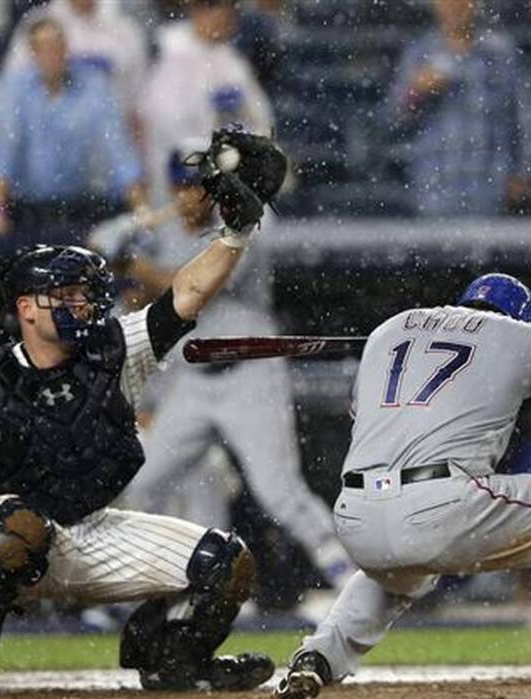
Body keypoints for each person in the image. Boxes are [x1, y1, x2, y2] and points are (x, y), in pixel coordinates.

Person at [0, 142, 279, 699]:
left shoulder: (116, 350)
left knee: (227, 563)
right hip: (0, 531)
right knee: (19, 532)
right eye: (65, 296)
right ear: (26, 308)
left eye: (86, 297)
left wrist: (234, 235)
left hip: (89, 528)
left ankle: (176, 661)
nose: (83, 308)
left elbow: (185, 294)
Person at [271, 273, 531, 699]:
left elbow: (367, 412)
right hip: (441, 502)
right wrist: (523, 363)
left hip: (356, 514)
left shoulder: (388, 331)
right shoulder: (526, 335)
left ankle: (316, 657)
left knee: (404, 570)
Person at [101, 149, 356, 609]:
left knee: (279, 492)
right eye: (181, 185)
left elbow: (193, 286)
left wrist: (135, 263)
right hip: (192, 382)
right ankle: (147, 593)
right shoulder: (160, 233)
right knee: (144, 484)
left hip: (250, 375)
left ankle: (348, 577)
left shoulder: (245, 226)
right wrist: (114, 254)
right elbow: (138, 295)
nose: (189, 195)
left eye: (199, 185)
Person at [0, 16, 146, 237]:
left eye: (57, 45)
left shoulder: (93, 85)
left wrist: (140, 206)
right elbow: (5, 154)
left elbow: (117, 148)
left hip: (82, 207)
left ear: (66, 48)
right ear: (33, 53)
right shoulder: (15, 90)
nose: (52, 54)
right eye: (44, 47)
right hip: (29, 209)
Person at [386, 0, 531, 217]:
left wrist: (524, 173)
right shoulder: (419, 52)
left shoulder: (500, 53)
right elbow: (392, 119)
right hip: (435, 188)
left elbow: (525, 119)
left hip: (491, 187)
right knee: (438, 250)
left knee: (487, 249)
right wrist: (416, 91)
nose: (454, 6)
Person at [140, 0, 273, 207]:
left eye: (228, 13)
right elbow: (168, 126)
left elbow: (261, 117)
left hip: (229, 172)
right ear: (197, 12)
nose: (225, 20)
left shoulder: (232, 61)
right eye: (215, 11)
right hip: (182, 178)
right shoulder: (173, 54)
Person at [4, 0, 148, 137]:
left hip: (111, 139)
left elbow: (140, 101)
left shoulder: (126, 30)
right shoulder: (37, 24)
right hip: (50, 138)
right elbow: (12, 92)